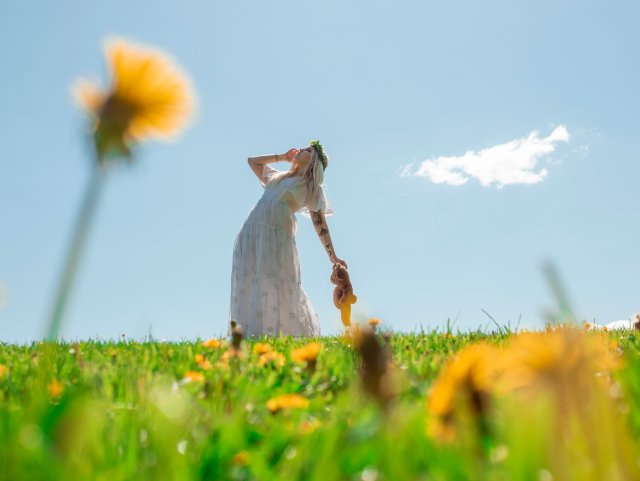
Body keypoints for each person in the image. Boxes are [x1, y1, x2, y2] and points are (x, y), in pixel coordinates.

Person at [229, 141, 347, 337]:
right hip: (252, 233)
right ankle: (252, 335)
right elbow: (252, 162)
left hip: (276, 237)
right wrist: (282, 157)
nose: (301, 149)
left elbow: (320, 225)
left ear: (314, 163)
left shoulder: (311, 188)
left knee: (278, 283)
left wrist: (332, 256)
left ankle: (288, 335)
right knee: (250, 280)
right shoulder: (278, 177)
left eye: (308, 150)